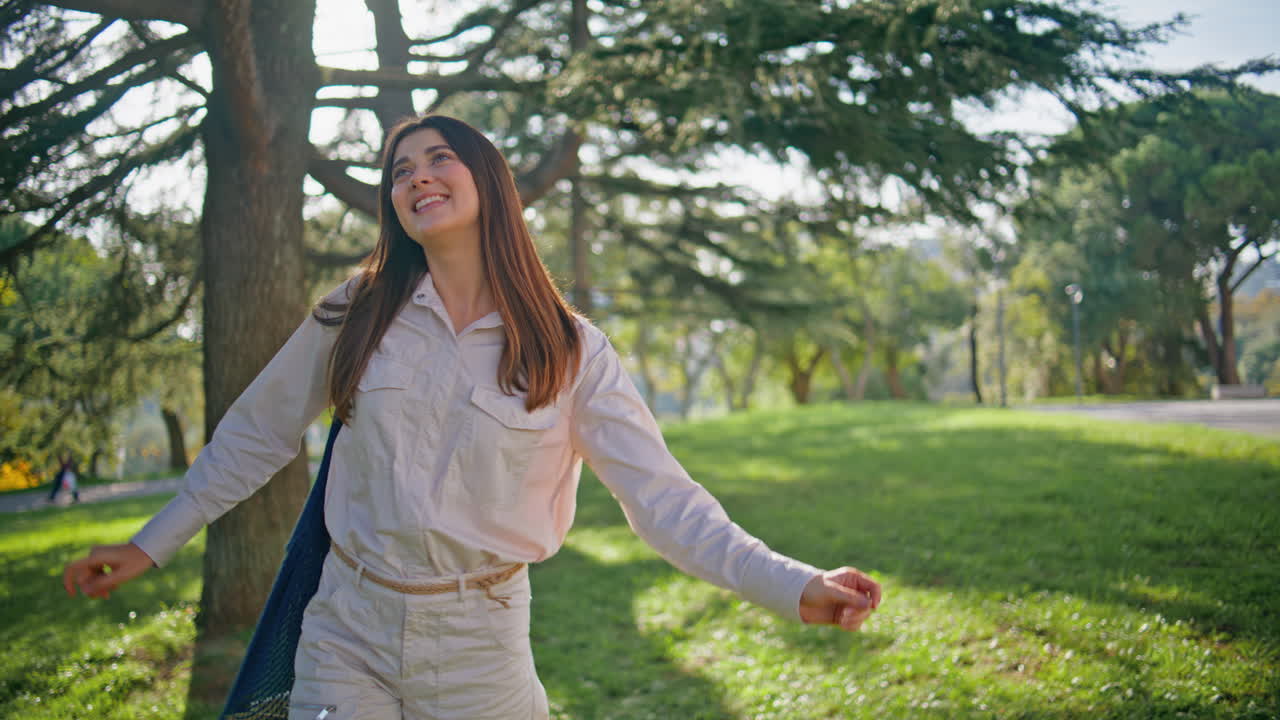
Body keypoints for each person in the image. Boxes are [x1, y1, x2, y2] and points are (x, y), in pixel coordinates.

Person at [62, 115, 882, 720]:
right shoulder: (357, 311)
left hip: (483, 647)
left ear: (489, 182)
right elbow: (257, 432)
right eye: (400, 169)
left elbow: (664, 501)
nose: (416, 175)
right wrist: (149, 543)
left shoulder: (571, 351)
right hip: (346, 629)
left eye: (438, 158)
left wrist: (789, 585)